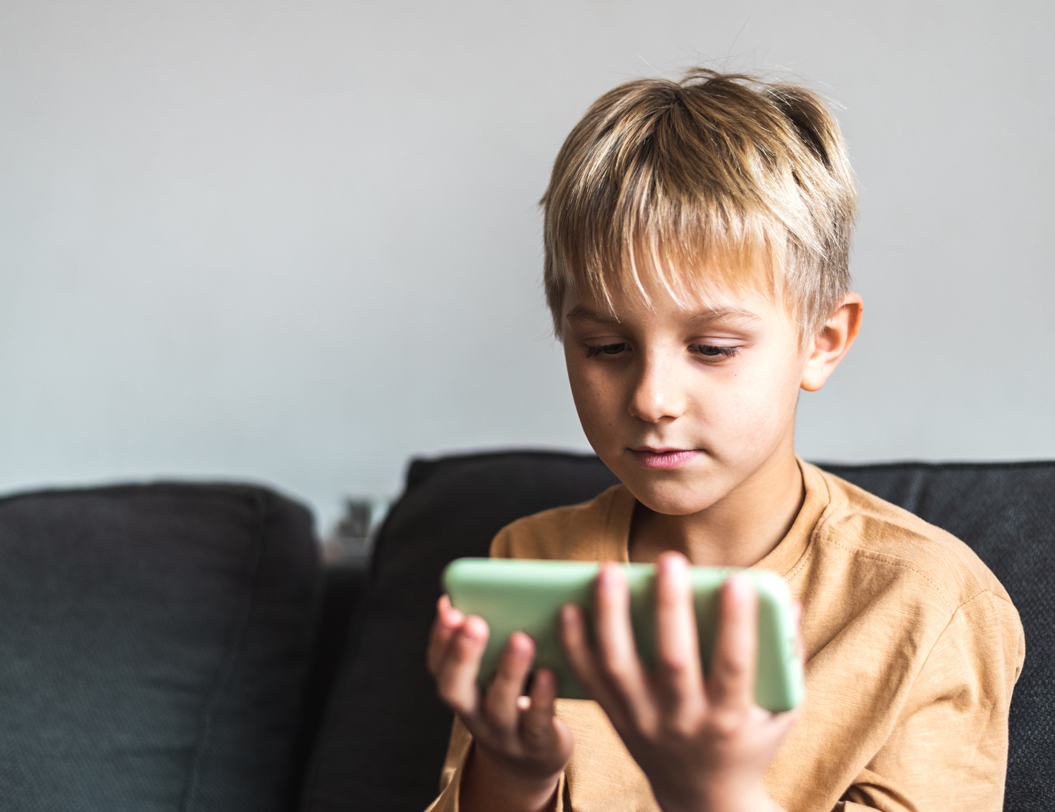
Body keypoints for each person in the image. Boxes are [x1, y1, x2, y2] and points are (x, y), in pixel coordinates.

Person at [424, 69, 1025, 812]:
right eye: (607, 348)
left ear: (822, 340)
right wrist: (512, 777)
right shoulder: (530, 561)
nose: (652, 399)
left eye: (711, 348)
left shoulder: (923, 601)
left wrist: (713, 793)